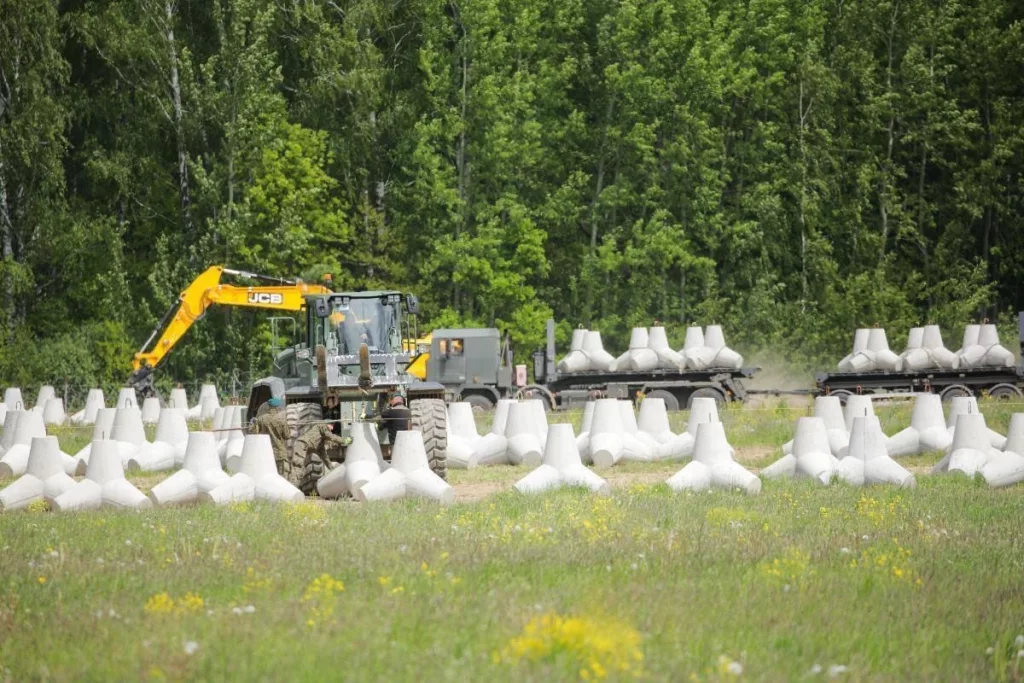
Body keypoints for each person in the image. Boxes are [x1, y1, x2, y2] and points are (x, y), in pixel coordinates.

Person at [250, 396, 292, 479]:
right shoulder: (281, 420)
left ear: (269, 406)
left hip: (266, 453)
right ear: (277, 407)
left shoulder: (261, 419)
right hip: (280, 454)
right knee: (282, 478)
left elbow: (254, 432)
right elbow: (287, 436)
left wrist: (252, 423)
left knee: (268, 478)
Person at [378, 394, 412, 460]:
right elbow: (391, 422)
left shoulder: (391, 411)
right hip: (407, 441)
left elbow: (379, 417)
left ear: (394, 401)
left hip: (395, 442)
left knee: (396, 460)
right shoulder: (409, 411)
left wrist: (366, 416)